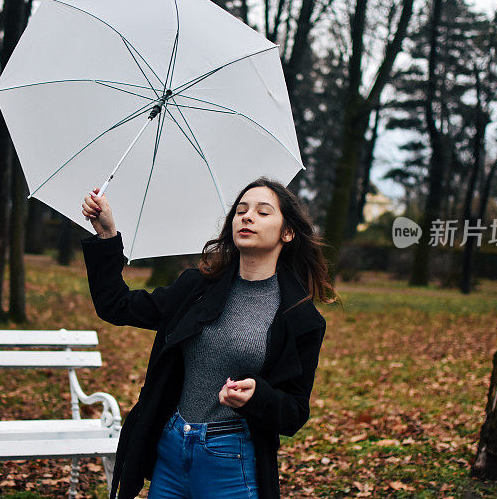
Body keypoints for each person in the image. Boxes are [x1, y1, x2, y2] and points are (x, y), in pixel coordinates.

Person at [80, 177, 336, 499]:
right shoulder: (197, 289)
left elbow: (294, 412)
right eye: (241, 210)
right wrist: (106, 235)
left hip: (232, 459)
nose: (247, 217)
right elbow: (116, 306)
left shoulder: (300, 319)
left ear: (287, 233)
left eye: (263, 212)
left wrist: (258, 396)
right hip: (172, 450)